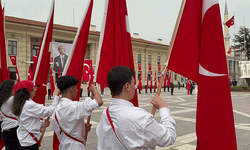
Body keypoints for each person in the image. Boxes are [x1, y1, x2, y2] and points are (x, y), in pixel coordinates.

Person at [96, 66, 176, 149]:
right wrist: (164, 108)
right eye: (134, 83)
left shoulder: (105, 113)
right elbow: (169, 137)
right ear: (127, 87)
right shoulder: (139, 117)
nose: (135, 87)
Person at [51, 75, 103, 150]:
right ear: (71, 90)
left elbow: (67, 125)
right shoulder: (74, 107)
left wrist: (81, 127)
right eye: (75, 88)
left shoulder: (56, 110)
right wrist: (94, 90)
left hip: (63, 146)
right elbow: (99, 102)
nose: (77, 90)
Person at [12, 80, 60, 150]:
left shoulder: (21, 102)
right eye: (34, 88)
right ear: (29, 91)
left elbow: (28, 121)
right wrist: (57, 95)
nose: (35, 89)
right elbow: (50, 111)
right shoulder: (28, 105)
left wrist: (43, 124)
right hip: (29, 142)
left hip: (24, 140)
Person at [0, 80, 21, 150]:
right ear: (9, 88)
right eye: (15, 86)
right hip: (12, 131)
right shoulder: (10, 99)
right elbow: (23, 96)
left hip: (7, 130)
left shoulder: (4, 99)